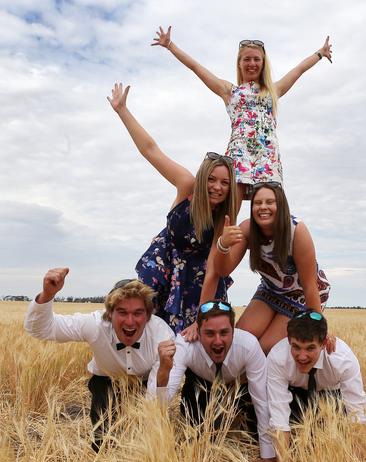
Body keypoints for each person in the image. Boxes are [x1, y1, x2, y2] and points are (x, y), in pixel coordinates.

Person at [108, 83, 237, 336]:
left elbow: (213, 268)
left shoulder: (224, 217)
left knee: (199, 334)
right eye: (211, 179)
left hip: (199, 277)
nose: (217, 187)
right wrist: (122, 110)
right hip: (164, 262)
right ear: (201, 179)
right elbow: (151, 150)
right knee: (143, 322)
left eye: (224, 183)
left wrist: (199, 318)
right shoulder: (186, 184)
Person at [152, 27, 333, 200]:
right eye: (247, 59)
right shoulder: (229, 91)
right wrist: (170, 46)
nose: (252, 63)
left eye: (256, 59)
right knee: (230, 212)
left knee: (268, 208)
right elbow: (196, 67)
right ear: (239, 64)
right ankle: (223, 234)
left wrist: (320, 54)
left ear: (263, 64)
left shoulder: (273, 91)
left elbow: (299, 69)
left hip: (267, 156)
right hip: (239, 155)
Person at [24, 268, 175, 452]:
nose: (129, 321)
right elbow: (40, 329)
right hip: (106, 383)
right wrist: (47, 294)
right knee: (103, 445)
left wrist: (147, 446)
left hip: (145, 383)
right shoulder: (95, 325)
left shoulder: (162, 336)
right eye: (122, 312)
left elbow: (155, 402)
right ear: (109, 314)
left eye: (137, 313)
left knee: (145, 439)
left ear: (148, 316)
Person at [156, 300, 277, 462]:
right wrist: (163, 373)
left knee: (252, 432)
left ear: (234, 332)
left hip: (239, 386)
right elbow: (162, 401)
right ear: (197, 332)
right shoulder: (184, 345)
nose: (218, 340)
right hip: (202, 385)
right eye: (210, 333)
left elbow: (262, 401)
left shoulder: (248, 345)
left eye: (224, 332)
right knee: (198, 437)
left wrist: (268, 455)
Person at [208, 182, 330, 354]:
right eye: (257, 203)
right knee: (241, 340)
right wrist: (223, 244)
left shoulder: (297, 232)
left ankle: (257, 381)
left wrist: (319, 328)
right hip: (271, 290)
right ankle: (237, 380)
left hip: (302, 295)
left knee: (266, 348)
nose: (263, 207)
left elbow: (310, 285)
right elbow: (223, 270)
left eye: (269, 202)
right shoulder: (248, 229)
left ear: (280, 205)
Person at [267, 310, 366, 462]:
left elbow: (357, 415)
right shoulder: (278, 357)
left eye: (310, 348)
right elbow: (279, 416)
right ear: (288, 340)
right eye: (296, 347)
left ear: (324, 342)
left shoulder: (342, 359)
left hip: (331, 398)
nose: (302, 356)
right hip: (296, 397)